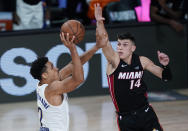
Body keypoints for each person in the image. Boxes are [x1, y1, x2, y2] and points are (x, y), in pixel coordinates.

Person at [95, 3, 172, 131]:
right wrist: (99, 22)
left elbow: (165, 77)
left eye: (125, 45)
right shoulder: (114, 62)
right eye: (119, 44)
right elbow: (104, 42)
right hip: (126, 119)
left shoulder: (142, 61)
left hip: (146, 113)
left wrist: (165, 65)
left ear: (133, 48)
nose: (120, 47)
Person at [30, 31, 105, 131]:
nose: (56, 68)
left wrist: (96, 47)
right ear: (44, 75)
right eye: (52, 67)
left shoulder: (42, 84)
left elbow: (73, 65)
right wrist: (72, 48)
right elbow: (78, 79)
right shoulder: (52, 88)